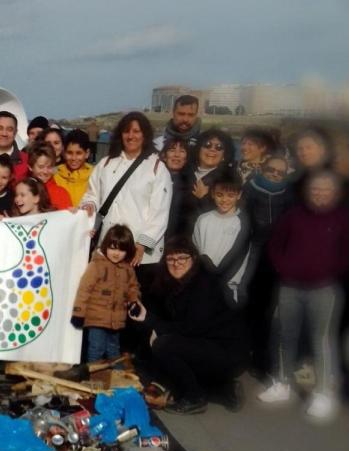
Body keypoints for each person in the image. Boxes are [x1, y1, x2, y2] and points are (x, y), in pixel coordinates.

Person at [259, 171, 349, 422]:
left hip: (324, 289)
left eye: (326, 189)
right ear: (307, 190)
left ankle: (324, 392)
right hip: (289, 286)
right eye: (315, 188)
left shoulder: (345, 218)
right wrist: (284, 268)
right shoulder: (294, 215)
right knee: (284, 334)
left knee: (322, 340)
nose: (320, 193)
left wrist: (329, 272)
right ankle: (282, 383)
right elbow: (275, 245)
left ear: (336, 192)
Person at [130, 238, 248, 414]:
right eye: (171, 259)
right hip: (207, 344)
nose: (176, 263)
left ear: (193, 258)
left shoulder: (205, 284)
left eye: (182, 258)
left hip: (228, 351)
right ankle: (224, 390)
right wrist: (147, 317)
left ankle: (195, 397)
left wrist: (158, 329)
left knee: (164, 346)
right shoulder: (177, 283)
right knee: (163, 352)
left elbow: (192, 327)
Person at [79, 112, 173, 268]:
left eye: (136, 131)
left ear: (145, 134)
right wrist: (89, 205)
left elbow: (160, 213)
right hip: (106, 248)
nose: (131, 136)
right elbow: (92, 194)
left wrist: (143, 244)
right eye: (126, 131)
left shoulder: (156, 168)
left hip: (139, 253)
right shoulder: (106, 163)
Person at [241, 154, 293, 379]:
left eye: (280, 172)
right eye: (271, 169)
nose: (274, 174)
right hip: (248, 256)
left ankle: (260, 359)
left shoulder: (289, 196)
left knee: (266, 313)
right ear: (262, 168)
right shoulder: (248, 190)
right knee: (242, 306)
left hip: (273, 262)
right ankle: (240, 354)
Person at [71, 224, 141, 362]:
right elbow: (84, 290)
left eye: (121, 250)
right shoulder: (97, 265)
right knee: (96, 348)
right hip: (96, 318)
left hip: (117, 320)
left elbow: (133, 287)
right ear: (105, 246)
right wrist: (78, 313)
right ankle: (92, 377)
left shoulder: (128, 269)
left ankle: (116, 376)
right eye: (112, 248)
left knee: (113, 349)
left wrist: (134, 301)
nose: (116, 253)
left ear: (128, 251)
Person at [193, 170, 250, 305]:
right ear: (212, 194)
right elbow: (197, 251)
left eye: (231, 195)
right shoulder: (203, 219)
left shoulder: (242, 222)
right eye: (220, 195)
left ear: (239, 195)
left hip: (228, 286)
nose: (225, 200)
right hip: (203, 283)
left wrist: (218, 278)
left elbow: (239, 256)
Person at [180, 128, 236, 237]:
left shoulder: (229, 179)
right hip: (177, 238)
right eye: (207, 145)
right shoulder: (183, 172)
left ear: (224, 155)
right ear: (198, 149)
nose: (212, 150)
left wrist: (203, 198)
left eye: (219, 147)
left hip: (207, 238)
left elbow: (228, 216)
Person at [160, 136, 194, 240]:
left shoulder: (192, 184)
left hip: (176, 241)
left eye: (182, 151)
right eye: (172, 150)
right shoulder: (153, 179)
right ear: (164, 156)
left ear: (186, 159)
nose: (177, 155)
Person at [53, 129, 93, 206]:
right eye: (69, 153)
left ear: (87, 153)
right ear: (64, 152)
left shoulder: (94, 176)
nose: (74, 158)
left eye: (79, 153)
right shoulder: (55, 174)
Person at [28, 143, 71, 210]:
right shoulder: (22, 191)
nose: (45, 171)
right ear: (30, 167)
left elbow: (68, 218)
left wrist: (73, 212)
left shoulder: (61, 193)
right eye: (41, 167)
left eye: (49, 167)